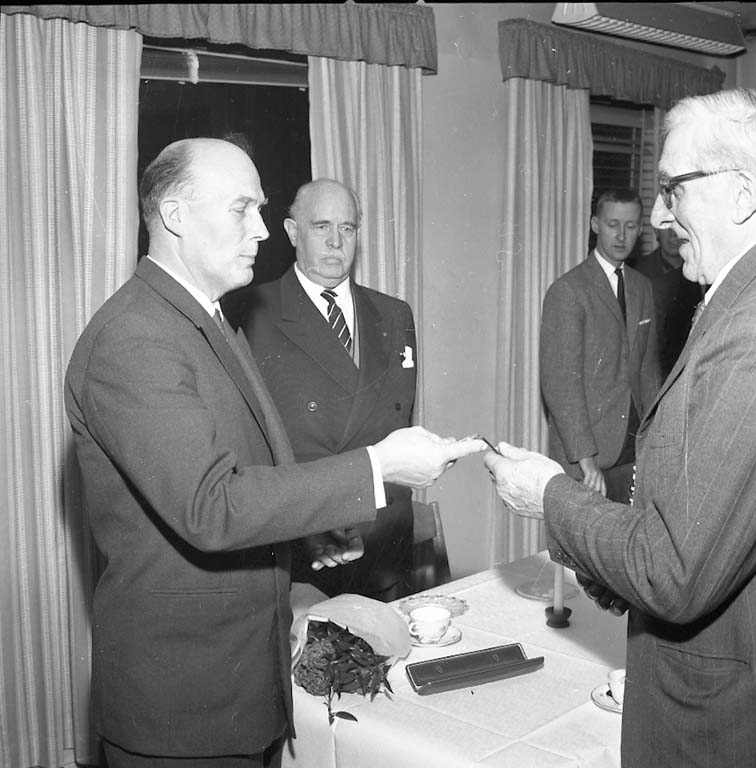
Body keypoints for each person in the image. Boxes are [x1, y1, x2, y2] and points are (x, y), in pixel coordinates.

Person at [64, 137, 485, 768]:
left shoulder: (205, 321)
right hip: (184, 707)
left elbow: (248, 467)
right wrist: (378, 465)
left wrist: (308, 534)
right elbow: (210, 507)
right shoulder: (136, 338)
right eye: (242, 209)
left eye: (260, 210)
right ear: (176, 216)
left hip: (239, 685)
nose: (262, 230)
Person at [485, 88, 756, 768]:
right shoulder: (723, 302)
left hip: (708, 709)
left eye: (673, 190)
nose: (658, 218)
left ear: (742, 194)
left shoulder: (746, 331)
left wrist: (548, 495)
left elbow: (673, 571)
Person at [244, 179, 416, 601]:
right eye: (321, 227)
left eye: (347, 228)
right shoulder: (250, 314)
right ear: (292, 232)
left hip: (383, 543)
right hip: (303, 546)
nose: (336, 241)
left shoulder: (394, 314)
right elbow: (250, 453)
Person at [539, 189, 661, 503]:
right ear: (595, 224)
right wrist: (585, 458)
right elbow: (561, 386)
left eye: (630, 226)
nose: (621, 235)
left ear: (640, 229)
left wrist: (657, 442)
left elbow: (649, 373)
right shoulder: (568, 291)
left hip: (635, 451)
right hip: (587, 459)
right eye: (612, 224)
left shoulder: (642, 287)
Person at [628, 225, 704, 377]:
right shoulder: (636, 273)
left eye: (677, 225)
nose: (672, 234)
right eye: (665, 227)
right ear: (656, 231)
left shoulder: (703, 273)